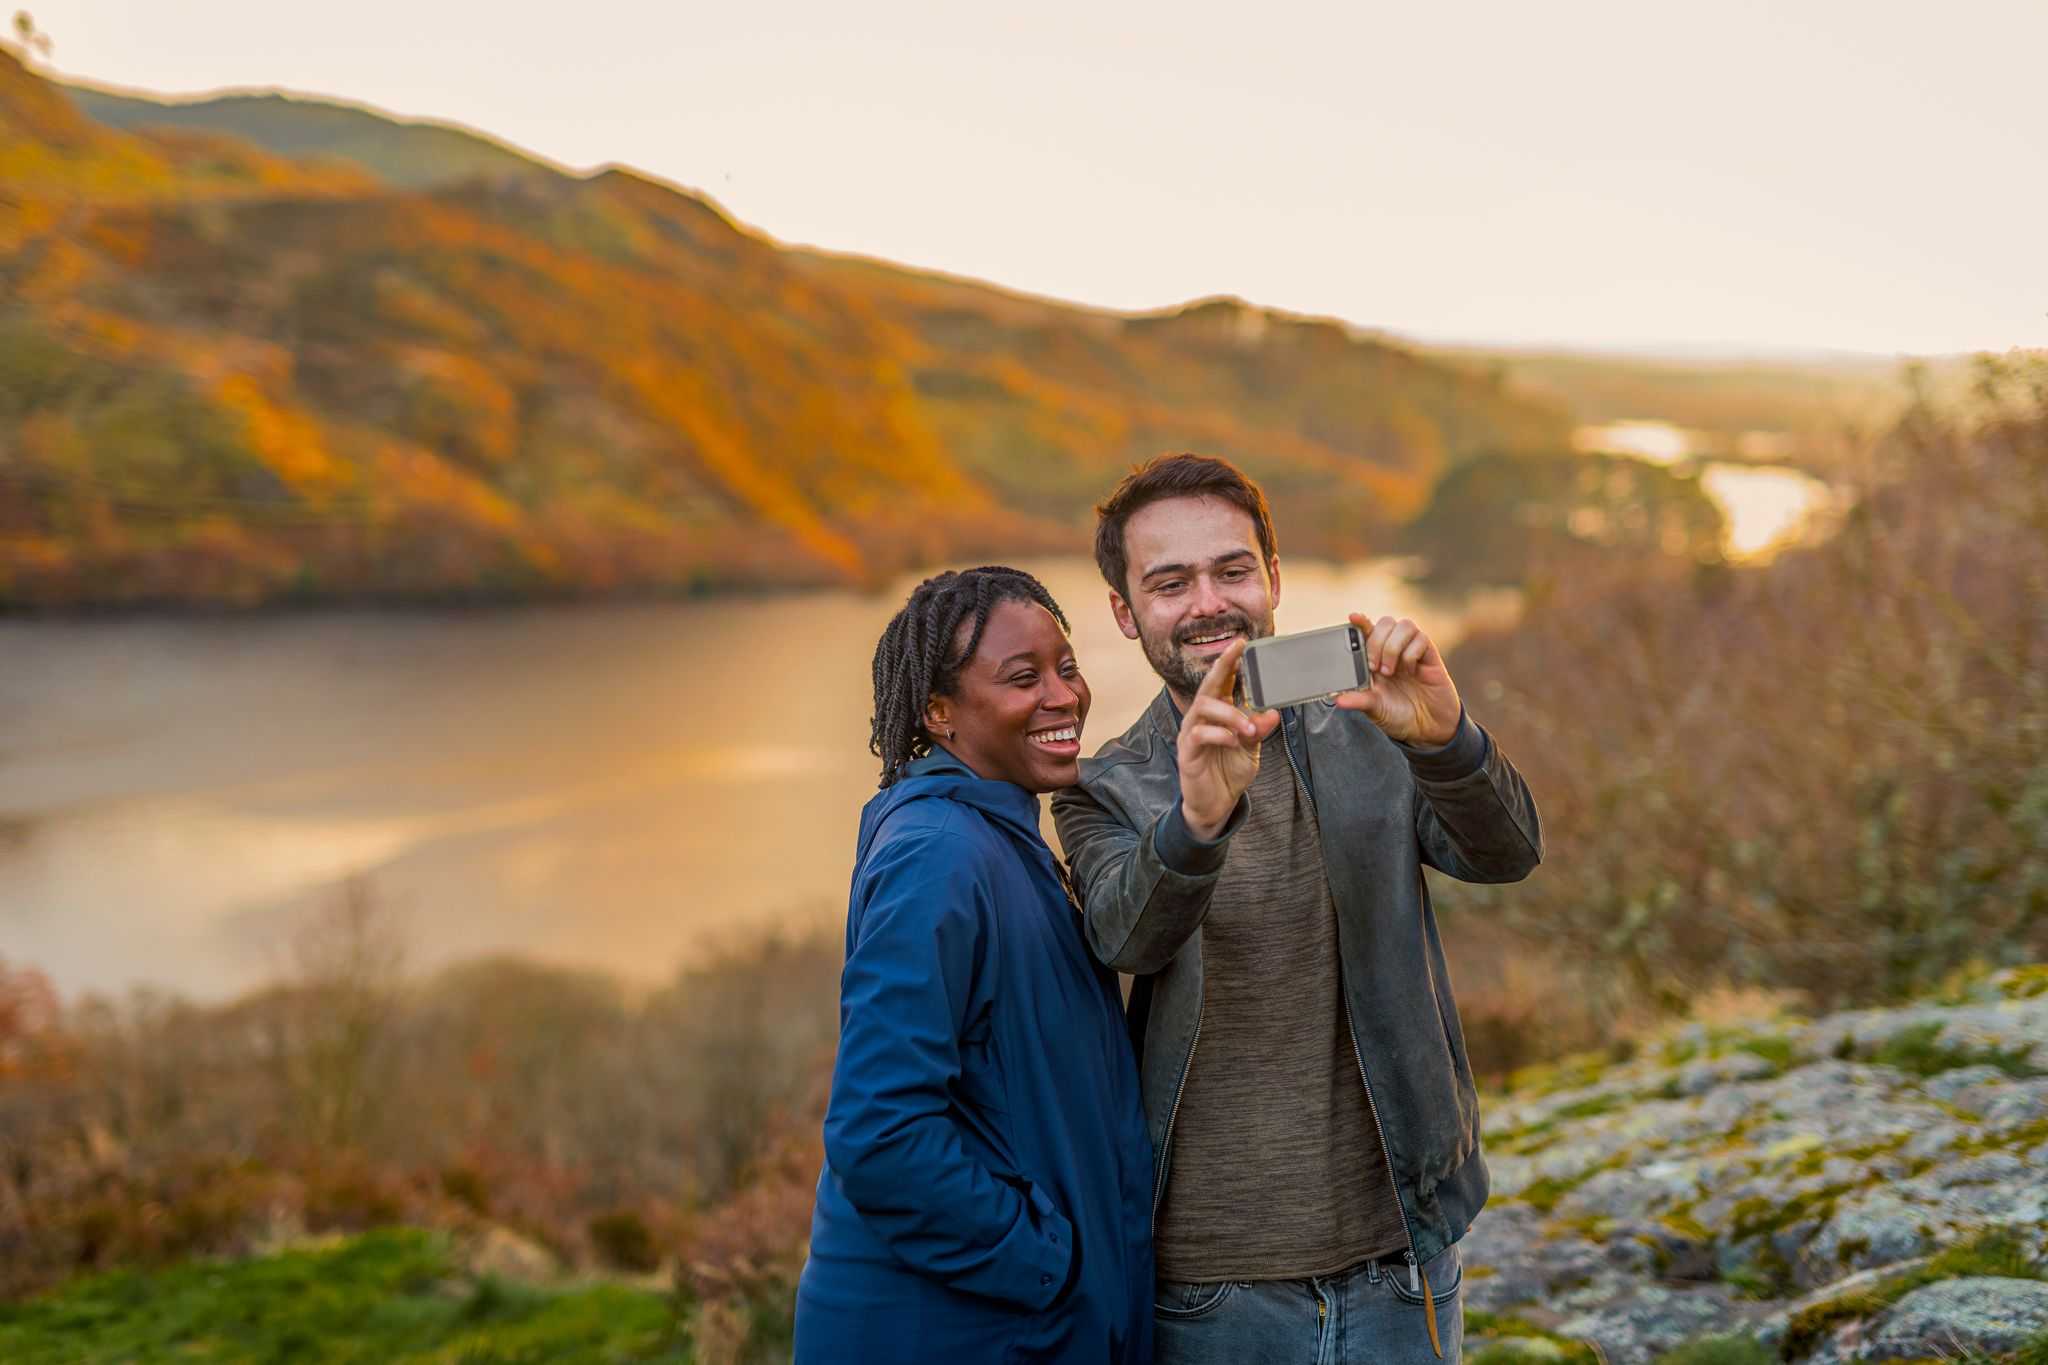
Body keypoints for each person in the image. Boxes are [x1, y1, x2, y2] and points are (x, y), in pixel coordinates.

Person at [1052, 455, 1543, 1364]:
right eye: (1170, 582)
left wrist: (1446, 740)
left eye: (1232, 569)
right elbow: (1123, 932)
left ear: (1273, 578)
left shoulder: (1371, 721)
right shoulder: (1104, 787)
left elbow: (1507, 851)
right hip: (1209, 1288)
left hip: (1403, 1254)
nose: (1209, 601)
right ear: (1125, 612)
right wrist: (1197, 822)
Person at [795, 565, 1155, 1365]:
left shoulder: (1001, 839)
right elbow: (881, 1132)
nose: (1064, 695)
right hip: (962, 1331)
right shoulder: (939, 856)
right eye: (1023, 678)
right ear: (938, 712)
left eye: (1067, 666)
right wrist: (1051, 1263)